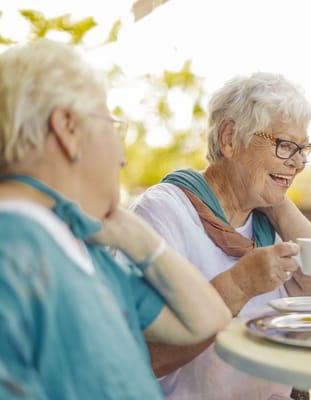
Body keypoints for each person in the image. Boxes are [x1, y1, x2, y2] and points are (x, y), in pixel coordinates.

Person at [0, 39, 231, 400]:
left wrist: (136, 236)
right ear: (68, 128)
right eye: (111, 124)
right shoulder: (13, 250)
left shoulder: (81, 250)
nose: (123, 156)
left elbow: (208, 320)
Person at [130, 72, 311, 400]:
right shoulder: (164, 213)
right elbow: (141, 355)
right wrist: (241, 286)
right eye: (284, 145)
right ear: (230, 139)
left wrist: (278, 204)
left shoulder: (265, 220)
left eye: (303, 149)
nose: (298, 164)